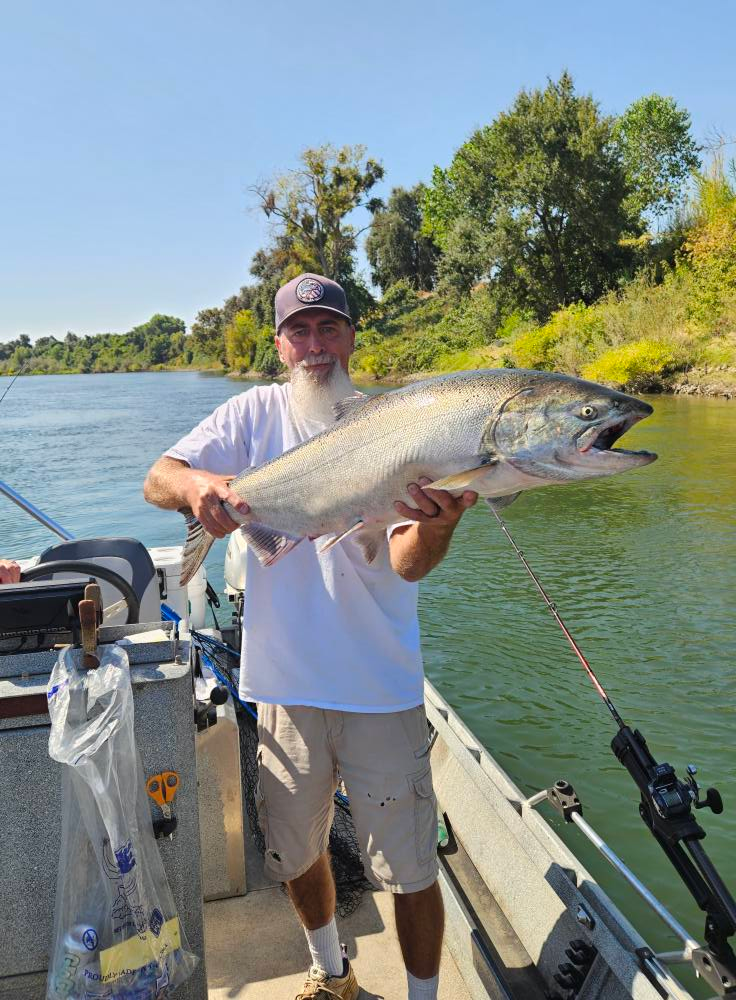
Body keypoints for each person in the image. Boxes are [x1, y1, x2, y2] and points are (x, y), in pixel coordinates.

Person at [143, 273, 478, 1000]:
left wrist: (439, 523)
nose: (315, 346)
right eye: (300, 331)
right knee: (296, 853)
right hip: (284, 687)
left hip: (380, 687)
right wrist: (201, 488)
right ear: (279, 344)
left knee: (413, 869)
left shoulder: (401, 423)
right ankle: (332, 974)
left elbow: (405, 561)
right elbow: (157, 479)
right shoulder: (252, 414)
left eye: (329, 328)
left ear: (353, 336)